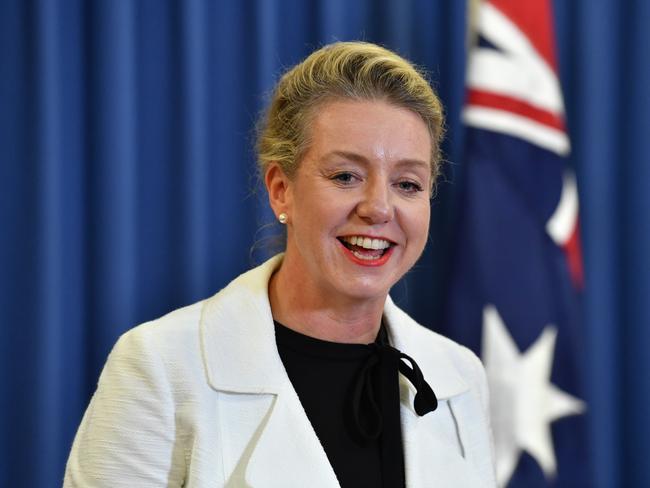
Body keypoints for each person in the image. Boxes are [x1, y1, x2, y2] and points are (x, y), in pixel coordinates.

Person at [64, 41, 496, 487]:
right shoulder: (159, 368)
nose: (379, 208)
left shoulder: (460, 376)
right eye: (346, 176)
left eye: (408, 183)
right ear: (280, 189)